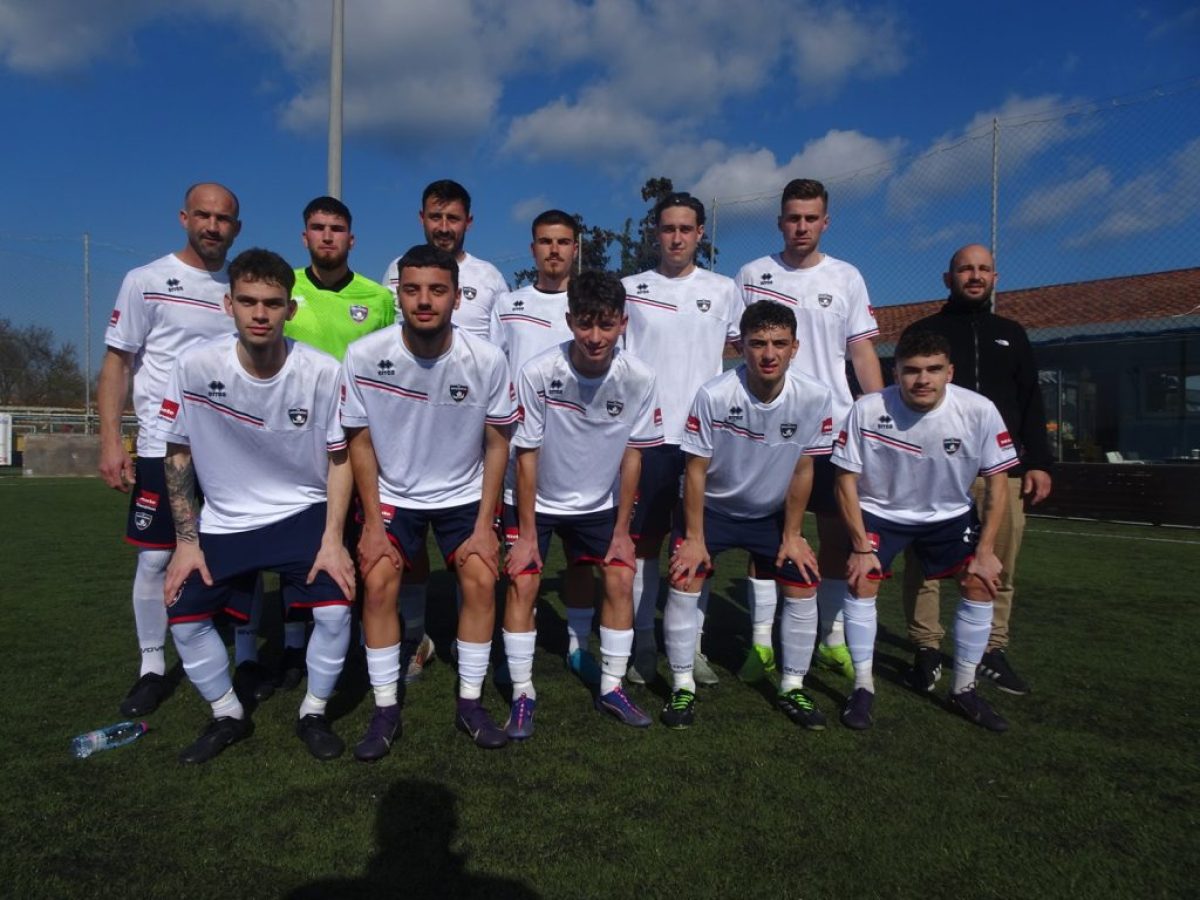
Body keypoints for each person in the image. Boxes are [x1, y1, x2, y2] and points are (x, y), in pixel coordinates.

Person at [158, 248, 356, 763]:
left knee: (335, 610)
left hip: (301, 511)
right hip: (225, 519)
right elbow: (177, 452)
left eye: (272, 303)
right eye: (248, 301)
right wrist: (186, 542)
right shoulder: (194, 366)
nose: (260, 313)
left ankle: (313, 711)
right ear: (229, 305)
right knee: (183, 614)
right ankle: (227, 714)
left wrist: (333, 540)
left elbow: (340, 460)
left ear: (291, 308)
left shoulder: (322, 371)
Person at [344, 244, 516, 757]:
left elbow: (498, 442)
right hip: (394, 493)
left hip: (463, 492)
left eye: (437, 290)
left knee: (481, 578)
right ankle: (384, 710)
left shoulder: (487, 359)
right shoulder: (364, 356)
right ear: (398, 295)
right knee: (377, 581)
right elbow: (359, 442)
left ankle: (470, 703)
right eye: (413, 290)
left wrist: (485, 525)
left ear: (456, 298)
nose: (424, 301)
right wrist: (372, 525)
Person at [98, 182, 242, 717]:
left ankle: (247, 655)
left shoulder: (242, 285)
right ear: (184, 218)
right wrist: (111, 441)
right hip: (162, 443)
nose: (212, 226)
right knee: (157, 555)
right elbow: (118, 363)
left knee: (233, 551)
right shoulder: (146, 280)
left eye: (223, 219)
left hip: (228, 446)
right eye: (203, 215)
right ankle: (152, 666)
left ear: (236, 227)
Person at [734, 178, 883, 684]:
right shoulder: (752, 274)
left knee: (837, 534)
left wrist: (876, 413)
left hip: (833, 428)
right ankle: (761, 644)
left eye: (811, 218)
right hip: (768, 430)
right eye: (793, 218)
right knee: (767, 537)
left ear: (825, 222)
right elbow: (737, 348)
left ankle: (831, 638)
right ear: (780, 221)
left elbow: (861, 351)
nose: (801, 226)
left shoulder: (846, 277)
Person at [831, 330, 1019, 732]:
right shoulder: (867, 409)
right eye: (911, 370)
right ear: (895, 373)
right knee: (862, 579)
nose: (922, 379)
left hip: (948, 516)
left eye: (933, 369)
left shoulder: (979, 410)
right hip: (881, 512)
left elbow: (997, 482)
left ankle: (964, 689)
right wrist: (861, 547)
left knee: (980, 582)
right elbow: (845, 479)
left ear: (949, 372)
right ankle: (862, 687)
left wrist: (986, 550)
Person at [503, 270, 664, 736]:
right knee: (523, 583)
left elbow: (633, 455)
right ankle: (521, 692)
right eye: (586, 324)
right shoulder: (538, 372)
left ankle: (611, 686)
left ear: (623, 323)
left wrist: (622, 530)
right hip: (535, 497)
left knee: (620, 575)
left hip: (597, 502)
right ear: (570, 320)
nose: (595, 337)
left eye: (607, 324)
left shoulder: (639, 378)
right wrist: (527, 535)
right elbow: (526, 455)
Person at [667, 301, 833, 729]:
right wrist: (695, 539)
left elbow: (803, 468)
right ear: (740, 347)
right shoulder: (714, 394)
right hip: (713, 510)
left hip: (770, 515)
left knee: (803, 580)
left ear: (795, 347)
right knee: (685, 576)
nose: (769, 354)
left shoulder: (815, 396)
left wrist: (793, 534)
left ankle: (792, 687)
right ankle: (682, 687)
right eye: (758, 343)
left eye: (779, 343)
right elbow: (695, 470)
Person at [900, 244, 1053, 695]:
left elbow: (1031, 400)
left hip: (999, 473)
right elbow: (904, 397)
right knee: (925, 565)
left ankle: (991, 649)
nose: (974, 275)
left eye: (983, 269)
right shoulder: (924, 332)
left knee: (997, 564)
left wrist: (1039, 462)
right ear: (947, 278)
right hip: (935, 469)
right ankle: (926, 648)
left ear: (994, 278)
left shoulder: (1011, 333)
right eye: (965, 269)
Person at [380, 180, 509, 683]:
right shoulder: (397, 268)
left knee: (472, 550)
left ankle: (466, 637)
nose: (444, 226)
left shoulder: (490, 277)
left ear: (468, 222)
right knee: (408, 552)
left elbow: (498, 351)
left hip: (466, 432)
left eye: (453, 218)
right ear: (421, 218)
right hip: (410, 430)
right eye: (435, 217)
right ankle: (416, 636)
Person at [274, 195, 395, 690]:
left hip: (358, 439)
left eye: (337, 228)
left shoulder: (378, 297)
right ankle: (292, 644)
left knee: (358, 539)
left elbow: (388, 369)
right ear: (304, 236)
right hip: (293, 438)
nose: (328, 236)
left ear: (352, 239)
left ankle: (362, 639)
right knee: (295, 539)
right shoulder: (282, 288)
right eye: (318, 227)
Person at [620, 192, 741, 687]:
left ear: (700, 234)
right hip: (647, 438)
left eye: (685, 229)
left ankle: (691, 648)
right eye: (667, 228)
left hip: (703, 442)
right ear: (656, 233)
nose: (676, 237)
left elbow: (747, 357)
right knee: (644, 545)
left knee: (695, 543)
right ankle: (643, 645)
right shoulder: (630, 289)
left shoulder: (724, 289)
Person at [490, 210, 604, 683]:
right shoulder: (508, 304)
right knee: (521, 565)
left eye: (563, 241)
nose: (554, 250)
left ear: (575, 248)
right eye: (544, 241)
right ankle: (513, 653)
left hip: (583, 461)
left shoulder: (592, 308)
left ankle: (579, 647)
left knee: (580, 564)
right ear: (533, 248)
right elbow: (494, 370)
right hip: (523, 458)